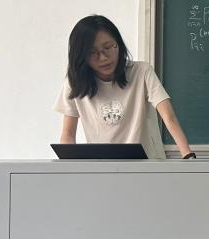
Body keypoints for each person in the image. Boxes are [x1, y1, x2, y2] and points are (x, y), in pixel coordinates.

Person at [55, 15, 194, 159]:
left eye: (108, 47)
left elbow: (169, 117)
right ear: (81, 56)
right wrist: (67, 166)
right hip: (103, 166)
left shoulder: (141, 72)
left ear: (118, 44)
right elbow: (68, 134)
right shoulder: (75, 82)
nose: (103, 57)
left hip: (148, 165)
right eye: (92, 52)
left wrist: (188, 156)